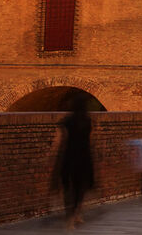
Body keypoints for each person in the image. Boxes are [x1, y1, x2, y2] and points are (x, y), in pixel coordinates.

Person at [53, 94, 95, 229]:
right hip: (84, 155)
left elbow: (61, 140)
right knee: (80, 186)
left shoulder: (68, 121)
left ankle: (70, 217)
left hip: (69, 155)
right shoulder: (87, 120)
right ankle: (77, 213)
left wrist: (56, 158)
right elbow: (90, 140)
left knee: (67, 187)